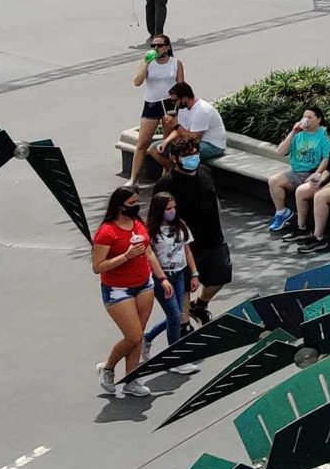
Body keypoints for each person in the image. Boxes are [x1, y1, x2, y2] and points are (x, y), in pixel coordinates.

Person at [91, 185, 156, 399]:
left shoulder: (138, 224)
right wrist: (126, 256)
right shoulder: (107, 232)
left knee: (138, 336)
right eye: (131, 203)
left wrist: (161, 277)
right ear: (120, 206)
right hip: (118, 289)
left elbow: (148, 251)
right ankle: (108, 366)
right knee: (134, 335)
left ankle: (132, 378)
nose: (136, 206)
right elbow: (98, 266)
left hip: (144, 283)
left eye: (137, 201)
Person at [162, 134, 233, 322]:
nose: (192, 158)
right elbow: (161, 214)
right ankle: (184, 326)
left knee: (221, 276)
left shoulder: (205, 171)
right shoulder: (167, 183)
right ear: (174, 158)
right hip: (186, 246)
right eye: (186, 155)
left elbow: (213, 196)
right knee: (185, 286)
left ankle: (200, 304)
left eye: (195, 153)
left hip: (214, 238)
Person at [126, 33, 183, 186]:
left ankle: (165, 176)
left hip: (169, 105)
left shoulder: (175, 63)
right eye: (153, 45)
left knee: (166, 143)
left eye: (159, 45)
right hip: (152, 104)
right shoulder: (148, 62)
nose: (156, 48)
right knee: (143, 142)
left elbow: (181, 87)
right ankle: (133, 178)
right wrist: (145, 63)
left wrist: (179, 108)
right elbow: (137, 82)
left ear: (167, 47)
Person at [267, 106, 330, 233]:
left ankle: (303, 226)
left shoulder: (324, 134)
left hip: (314, 172)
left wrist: (317, 173)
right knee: (274, 180)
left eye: (309, 117)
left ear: (319, 119)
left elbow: (327, 157)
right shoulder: (298, 135)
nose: (306, 119)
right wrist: (293, 133)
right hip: (296, 172)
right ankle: (281, 213)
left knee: (302, 191)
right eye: (304, 117)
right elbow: (280, 152)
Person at [164, 80, 225, 161]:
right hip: (196, 142)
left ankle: (184, 173)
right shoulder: (183, 108)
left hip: (212, 145)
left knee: (180, 155)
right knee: (155, 149)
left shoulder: (201, 110)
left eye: (175, 100)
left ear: (184, 98)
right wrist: (165, 142)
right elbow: (180, 131)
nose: (173, 103)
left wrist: (175, 125)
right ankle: (173, 172)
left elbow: (194, 139)